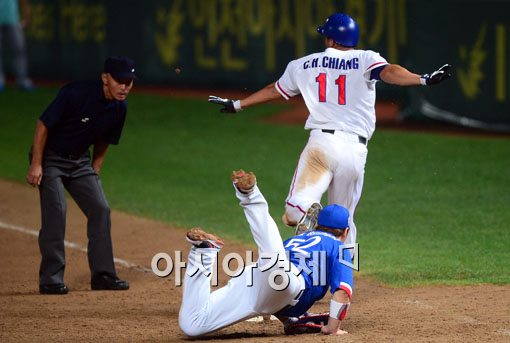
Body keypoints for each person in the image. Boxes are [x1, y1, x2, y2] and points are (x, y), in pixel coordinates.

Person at [208, 13, 452, 249]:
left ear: (331, 40)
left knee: (294, 209)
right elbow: (390, 72)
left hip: (321, 146)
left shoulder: (303, 64)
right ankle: (344, 280)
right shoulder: (366, 58)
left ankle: (307, 214)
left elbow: (275, 89)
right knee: (344, 221)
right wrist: (423, 79)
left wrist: (237, 104)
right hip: (355, 152)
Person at [179, 169, 353, 336]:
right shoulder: (340, 248)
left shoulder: (296, 240)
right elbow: (342, 292)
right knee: (276, 262)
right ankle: (250, 195)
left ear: (317, 225)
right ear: (345, 232)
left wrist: (289, 319)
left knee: (193, 324)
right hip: (286, 279)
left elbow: (276, 291)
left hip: (258, 279)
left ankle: (203, 252)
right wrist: (332, 328)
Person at [25, 56, 136, 294]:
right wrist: (36, 163)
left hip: (80, 162)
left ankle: (103, 276)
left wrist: (95, 168)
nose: (125, 87)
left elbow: (106, 138)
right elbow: (42, 125)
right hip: (50, 159)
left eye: (129, 82)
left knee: (100, 209)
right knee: (57, 210)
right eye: (120, 81)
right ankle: (51, 279)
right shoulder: (75, 93)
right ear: (105, 78)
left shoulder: (119, 107)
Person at [0, 0, 33, 91]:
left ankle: (22, 80)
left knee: (19, 49)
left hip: (13, 19)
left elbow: (23, 1)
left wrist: (25, 17)